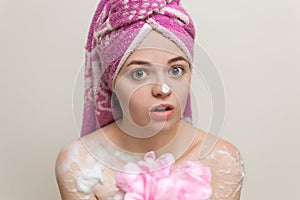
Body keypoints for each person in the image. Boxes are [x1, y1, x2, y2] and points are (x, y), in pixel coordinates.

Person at [55, 0, 244, 199]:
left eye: (176, 70)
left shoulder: (222, 161)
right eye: (139, 74)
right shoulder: (79, 164)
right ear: (111, 82)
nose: (162, 89)